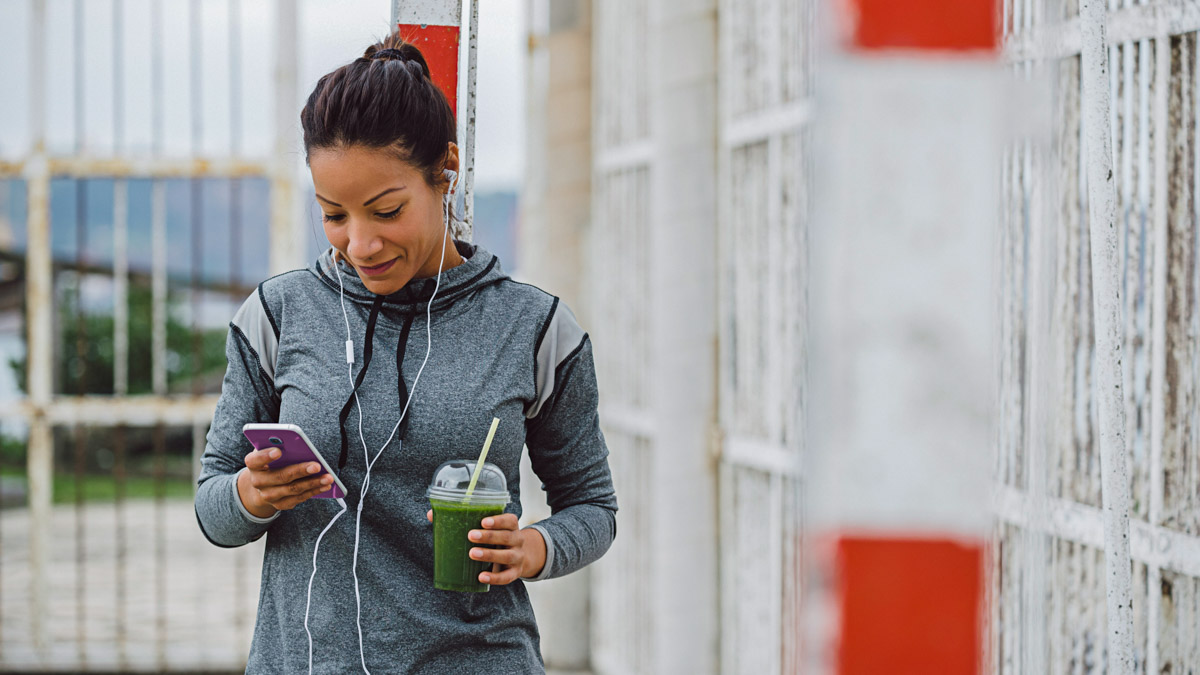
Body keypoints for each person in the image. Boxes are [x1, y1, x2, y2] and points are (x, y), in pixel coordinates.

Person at [194, 30, 617, 674]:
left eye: (386, 210)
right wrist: (253, 495)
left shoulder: (535, 329)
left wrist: (533, 547)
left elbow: (593, 507)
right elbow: (212, 508)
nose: (360, 244)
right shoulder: (277, 318)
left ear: (444, 170)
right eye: (334, 215)